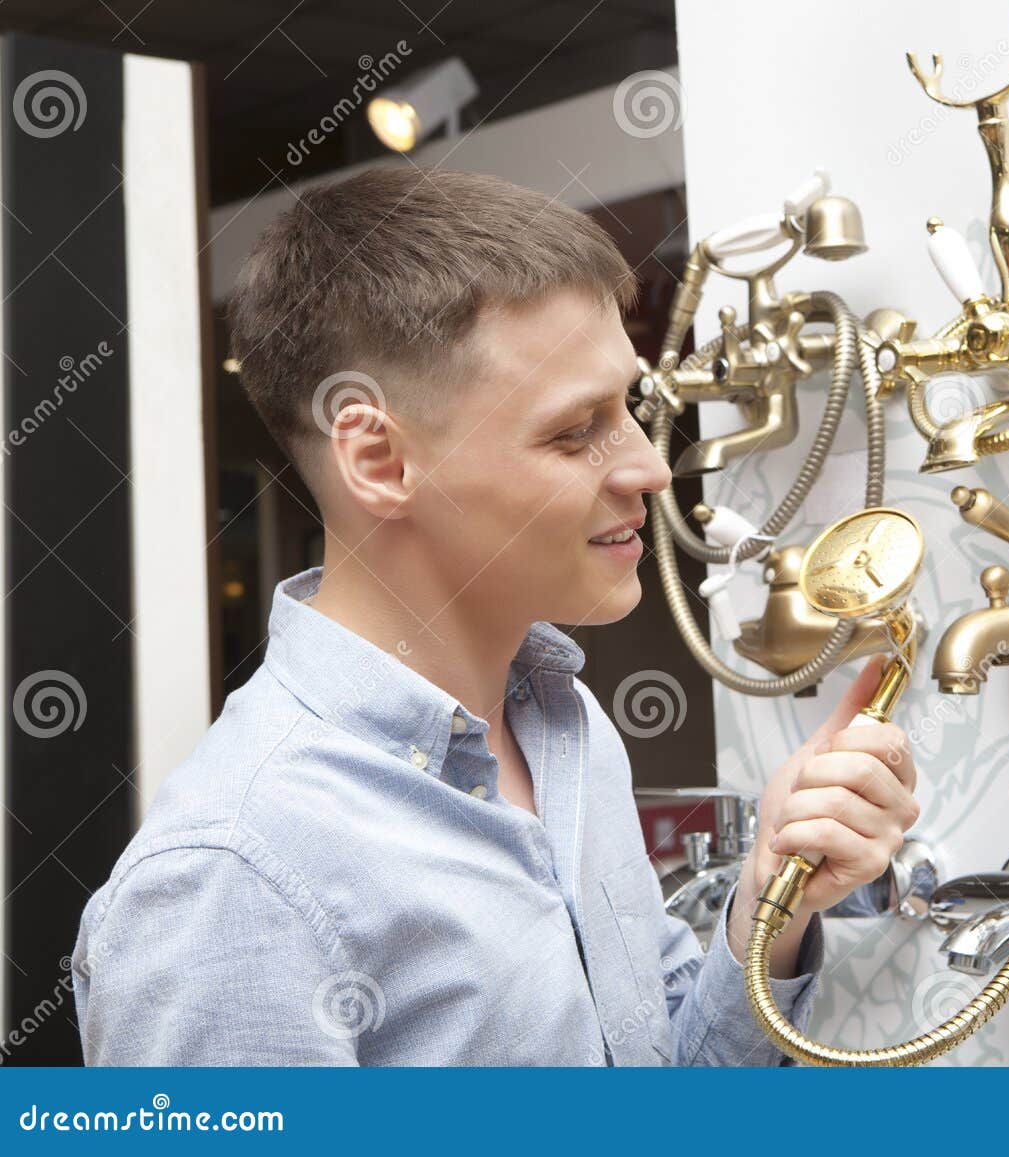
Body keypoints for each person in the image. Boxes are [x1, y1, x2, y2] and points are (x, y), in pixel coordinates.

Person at [70, 167, 920, 1065]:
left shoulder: (566, 731)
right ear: (380, 459)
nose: (650, 469)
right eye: (574, 430)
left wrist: (769, 901)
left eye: (627, 407)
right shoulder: (233, 876)